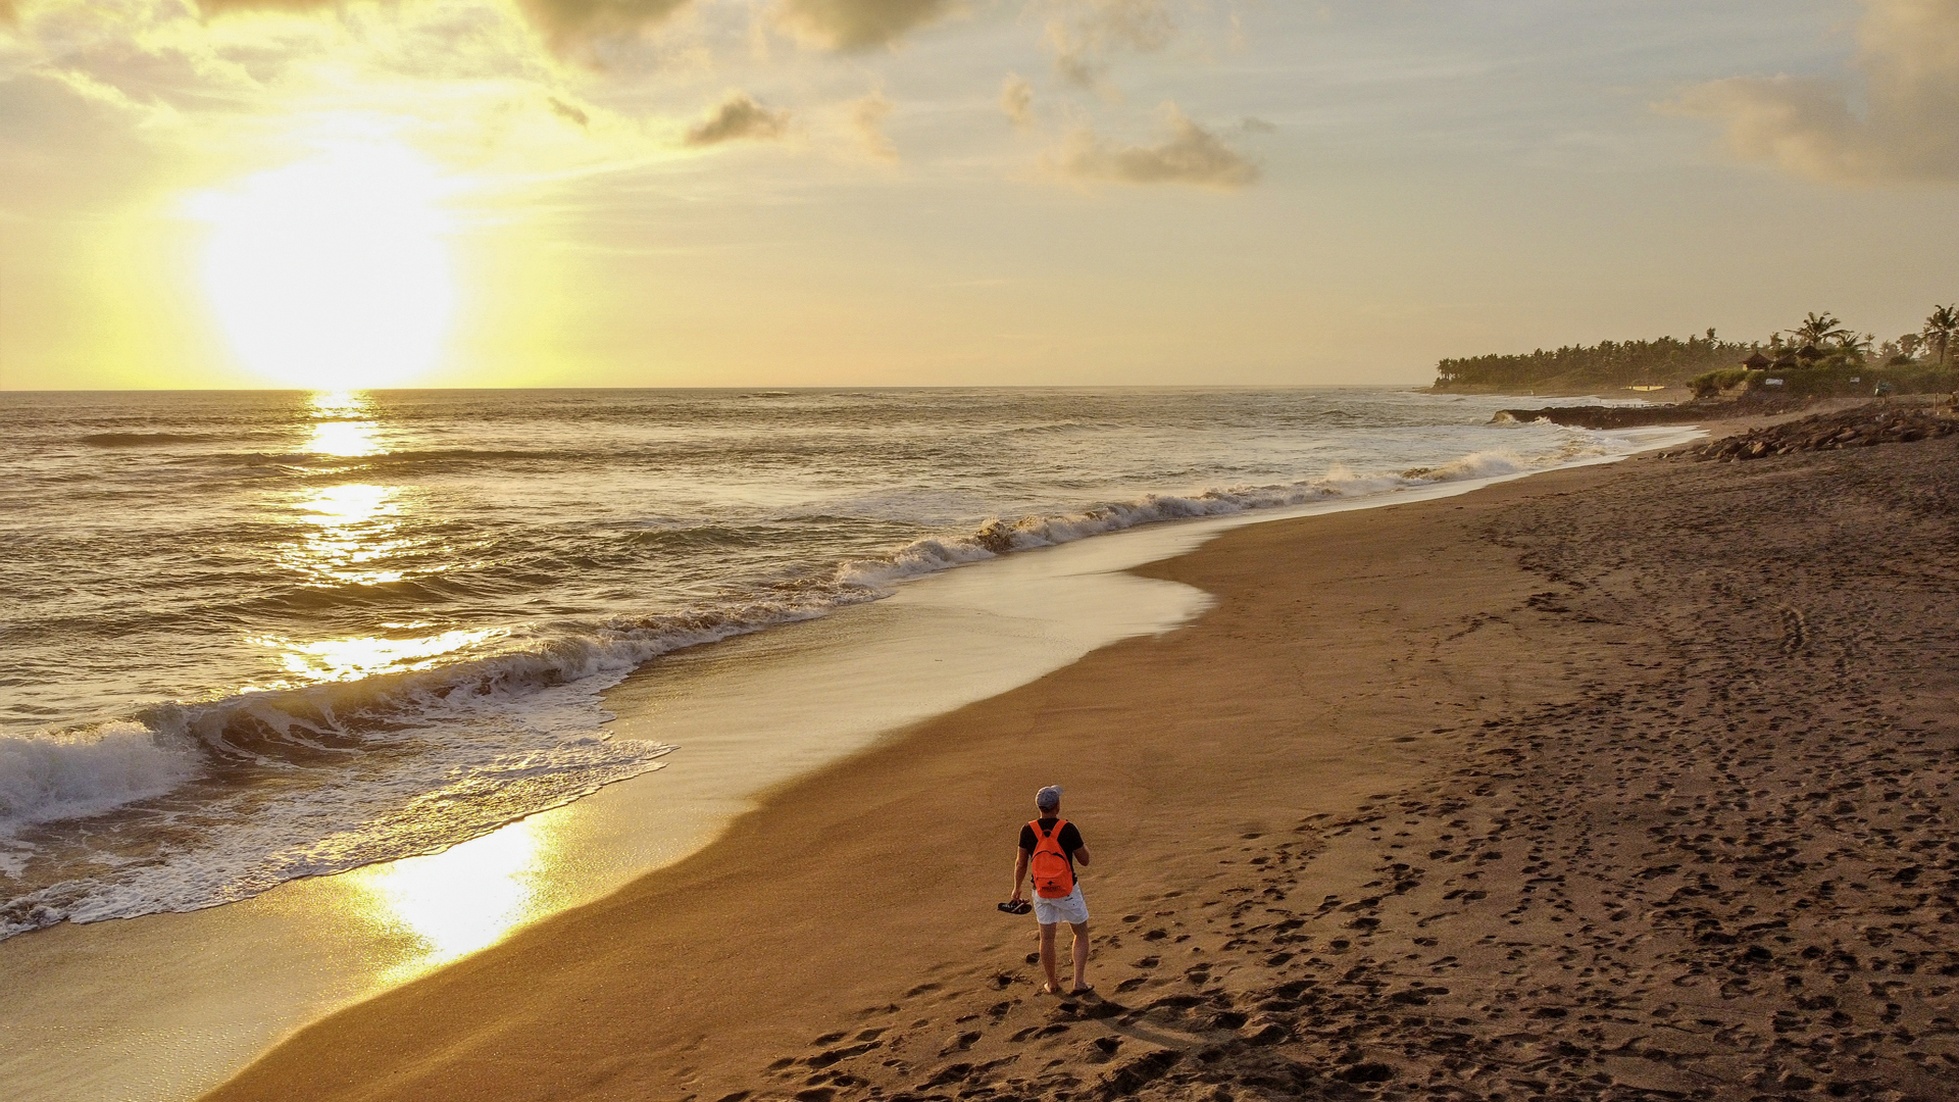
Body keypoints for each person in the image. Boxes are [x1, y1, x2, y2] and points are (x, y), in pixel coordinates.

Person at [1009, 784, 1093, 995]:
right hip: (1067, 889)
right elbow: (1085, 860)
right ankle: (1079, 982)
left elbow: (1021, 863)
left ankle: (1052, 983)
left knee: (1047, 938)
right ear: (1057, 805)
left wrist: (1016, 888)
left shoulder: (1027, 829)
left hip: (1041, 891)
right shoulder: (1067, 828)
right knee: (1080, 933)